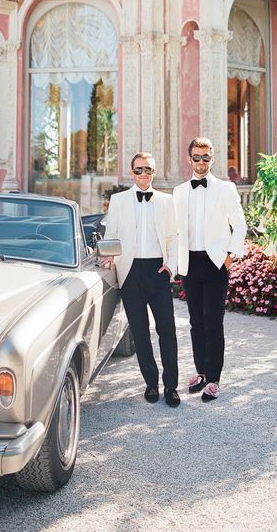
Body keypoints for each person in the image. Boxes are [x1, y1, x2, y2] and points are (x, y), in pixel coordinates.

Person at [172, 137, 247, 402]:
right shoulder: (179, 192)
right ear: (189, 159)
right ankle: (202, 372)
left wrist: (230, 257)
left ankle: (214, 380)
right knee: (196, 322)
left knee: (214, 323)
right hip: (189, 263)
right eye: (197, 157)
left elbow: (240, 225)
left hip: (216, 263)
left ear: (212, 159)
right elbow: (175, 230)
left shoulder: (225, 189)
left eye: (206, 157)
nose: (201, 162)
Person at [103, 152, 180, 407]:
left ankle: (171, 386)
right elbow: (111, 235)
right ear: (131, 171)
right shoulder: (118, 200)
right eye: (139, 170)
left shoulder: (167, 201)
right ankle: (151, 383)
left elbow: (173, 236)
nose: (144, 174)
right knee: (140, 332)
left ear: (154, 173)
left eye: (148, 170)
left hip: (158, 271)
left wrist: (171, 266)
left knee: (167, 330)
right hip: (130, 272)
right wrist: (109, 258)